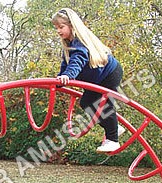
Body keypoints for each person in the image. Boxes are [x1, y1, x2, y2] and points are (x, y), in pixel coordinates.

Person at [52, 8, 125, 153]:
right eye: (56, 28)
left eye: (61, 27)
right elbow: (66, 64)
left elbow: (76, 63)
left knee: (105, 106)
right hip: (96, 79)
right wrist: (59, 79)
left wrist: (68, 76)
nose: (58, 31)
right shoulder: (68, 45)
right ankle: (114, 128)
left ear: (72, 26)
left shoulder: (80, 44)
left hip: (109, 74)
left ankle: (113, 140)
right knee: (86, 103)